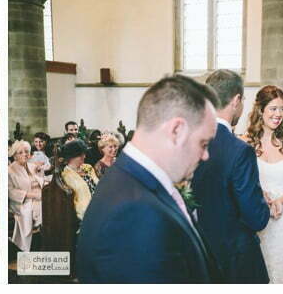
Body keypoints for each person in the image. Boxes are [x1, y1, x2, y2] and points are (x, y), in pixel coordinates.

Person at [76, 75, 220, 283]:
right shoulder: (135, 214)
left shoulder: (131, 180)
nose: (206, 155)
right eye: (203, 143)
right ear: (177, 131)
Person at [190, 69, 271, 283]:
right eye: (242, 100)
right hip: (234, 259)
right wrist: (264, 204)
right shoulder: (239, 151)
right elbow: (255, 217)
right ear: (236, 100)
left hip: (196, 254)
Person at [242, 85, 283, 284]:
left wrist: (278, 200)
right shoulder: (245, 143)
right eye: (273, 108)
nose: (278, 114)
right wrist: (261, 196)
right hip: (253, 217)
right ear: (260, 110)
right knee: (253, 275)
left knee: (279, 275)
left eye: (282, 109)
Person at [8, 140, 47, 252]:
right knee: (43, 208)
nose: (25, 154)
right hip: (23, 201)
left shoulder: (32, 166)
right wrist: (33, 195)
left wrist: (40, 173)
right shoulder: (10, 170)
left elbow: (41, 181)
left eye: (26, 151)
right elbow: (11, 191)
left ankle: (49, 240)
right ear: (14, 155)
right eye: (20, 152)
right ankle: (44, 242)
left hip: (40, 195)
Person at [61, 140, 98, 222]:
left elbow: (99, 185)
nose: (84, 156)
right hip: (87, 211)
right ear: (71, 157)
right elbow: (75, 202)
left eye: (84, 154)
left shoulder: (88, 167)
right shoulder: (66, 175)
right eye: (81, 155)